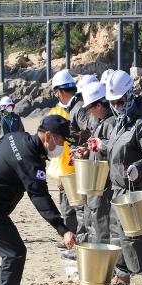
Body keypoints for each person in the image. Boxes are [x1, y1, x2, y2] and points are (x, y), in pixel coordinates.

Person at [0, 115, 77, 285]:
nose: (62, 147)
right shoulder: (31, 161)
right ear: (48, 136)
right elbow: (40, 197)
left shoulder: (15, 136)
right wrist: (62, 229)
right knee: (14, 253)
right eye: (61, 141)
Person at [105, 70, 142, 285]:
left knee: (134, 238)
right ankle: (122, 274)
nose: (117, 106)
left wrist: (139, 168)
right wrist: (101, 148)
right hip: (117, 189)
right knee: (116, 235)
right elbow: (116, 151)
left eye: (120, 101)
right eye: (113, 103)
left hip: (135, 191)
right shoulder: (119, 122)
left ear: (130, 95)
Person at [49, 69, 93, 254]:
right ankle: (74, 238)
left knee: (76, 207)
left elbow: (89, 133)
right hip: (72, 165)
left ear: (59, 91)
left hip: (74, 166)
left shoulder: (77, 109)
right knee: (73, 207)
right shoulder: (74, 108)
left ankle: (77, 241)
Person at [81, 81, 116, 243]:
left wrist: (102, 146)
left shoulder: (111, 123)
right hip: (99, 178)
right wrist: (88, 150)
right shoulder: (104, 122)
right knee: (96, 216)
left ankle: (103, 254)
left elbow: (118, 151)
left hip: (105, 179)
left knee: (101, 218)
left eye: (90, 109)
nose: (90, 113)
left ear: (99, 105)